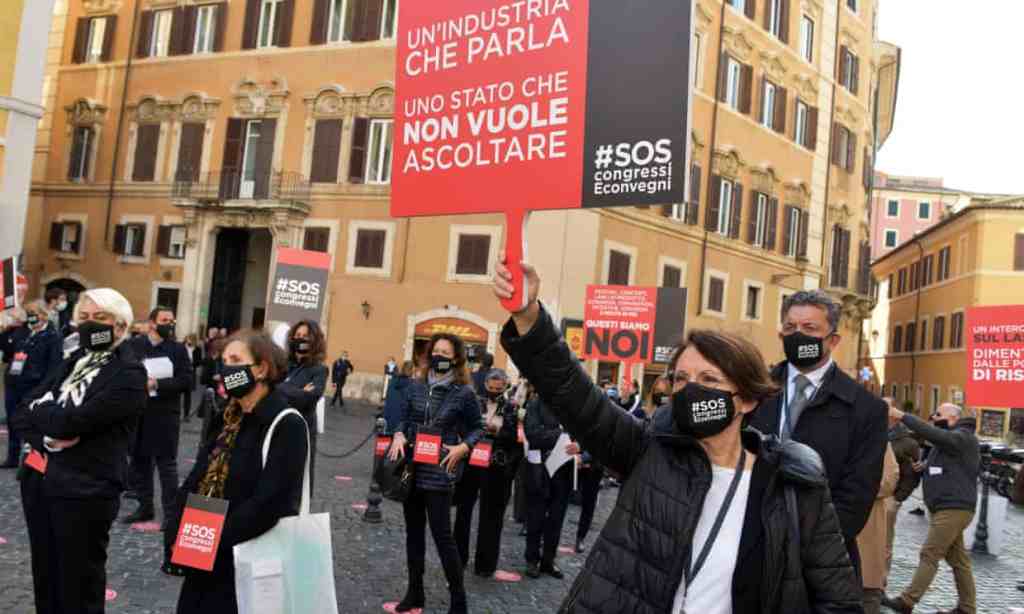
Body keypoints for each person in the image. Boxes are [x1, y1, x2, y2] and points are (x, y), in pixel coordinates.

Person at [493, 262, 862, 613]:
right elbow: (573, 394)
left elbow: (836, 598)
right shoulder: (648, 449)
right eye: (682, 380)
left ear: (747, 399)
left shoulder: (795, 483)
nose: (691, 391)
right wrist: (528, 317)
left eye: (710, 380)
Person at [12, 288, 147, 614]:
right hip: (41, 481)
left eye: (99, 319)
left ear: (120, 326)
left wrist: (48, 418)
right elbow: (22, 411)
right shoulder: (73, 360)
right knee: (46, 578)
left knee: (78, 587)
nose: (89, 325)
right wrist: (48, 431)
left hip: (85, 489)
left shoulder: (129, 373)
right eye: (83, 318)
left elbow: (74, 422)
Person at [750, 289, 888, 579]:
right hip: (751, 549)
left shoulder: (866, 409)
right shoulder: (753, 392)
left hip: (819, 564)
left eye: (809, 328)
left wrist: (801, 545)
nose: (798, 335)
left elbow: (856, 497)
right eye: (790, 328)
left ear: (833, 340)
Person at [171, 330, 308, 614]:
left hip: (247, 561)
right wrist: (176, 529)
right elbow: (199, 473)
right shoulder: (227, 416)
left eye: (235, 359)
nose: (226, 367)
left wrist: (215, 541)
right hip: (204, 555)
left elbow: (270, 503)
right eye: (224, 360)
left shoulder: (286, 424)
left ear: (261, 368)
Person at [387, 333, 483, 614]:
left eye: (446, 352)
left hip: (440, 471)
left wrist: (463, 448)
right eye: (436, 350)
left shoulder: (463, 392)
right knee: (413, 535)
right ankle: (415, 593)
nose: (440, 356)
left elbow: (478, 427)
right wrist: (397, 435)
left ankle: (458, 600)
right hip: (412, 469)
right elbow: (403, 418)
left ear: (456, 358)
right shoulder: (416, 386)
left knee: (443, 537)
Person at [882, 403, 978, 614]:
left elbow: (934, 434)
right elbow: (948, 464)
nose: (934, 417)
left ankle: (907, 601)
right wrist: (924, 467)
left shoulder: (963, 437)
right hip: (946, 507)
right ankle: (967, 608)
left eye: (938, 414)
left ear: (953, 417)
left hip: (953, 508)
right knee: (958, 560)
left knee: (929, 553)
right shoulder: (950, 441)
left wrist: (903, 416)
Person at [123, 308, 192, 563]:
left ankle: (171, 515)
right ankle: (144, 507)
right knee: (140, 461)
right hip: (139, 412)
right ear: (151, 323)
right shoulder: (134, 345)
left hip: (165, 415)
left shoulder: (177, 349)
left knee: (167, 465)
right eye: (164, 320)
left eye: (172, 321)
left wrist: (158, 384)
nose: (169, 324)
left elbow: (187, 381)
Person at [453, 368, 522, 577]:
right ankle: (458, 559)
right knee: (463, 512)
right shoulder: (475, 402)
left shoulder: (510, 406)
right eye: (490, 388)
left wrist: (497, 430)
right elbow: (463, 428)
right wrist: (477, 430)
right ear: (485, 386)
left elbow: (512, 436)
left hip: (496, 465)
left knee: (491, 516)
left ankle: (485, 565)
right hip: (472, 460)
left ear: (504, 387)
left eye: (498, 389)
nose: (493, 391)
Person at [0, 301, 63, 467]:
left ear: (43, 315)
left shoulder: (52, 337)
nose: (30, 317)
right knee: (13, 421)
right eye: (27, 313)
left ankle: (33, 463)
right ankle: (12, 458)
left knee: (34, 425)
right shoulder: (22, 332)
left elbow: (54, 366)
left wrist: (45, 390)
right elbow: (7, 351)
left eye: (32, 313)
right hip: (14, 383)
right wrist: (6, 329)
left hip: (34, 387)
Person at [523, 394, 574, 579]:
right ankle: (532, 560)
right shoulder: (536, 404)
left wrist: (575, 444)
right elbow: (534, 436)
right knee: (535, 517)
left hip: (564, 469)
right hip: (539, 469)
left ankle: (548, 560)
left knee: (556, 519)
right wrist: (562, 434)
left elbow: (582, 435)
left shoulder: (572, 405)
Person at [278, 320, 327, 494]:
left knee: (298, 482)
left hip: (301, 431)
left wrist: (283, 388)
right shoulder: (283, 364)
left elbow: (309, 398)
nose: (301, 339)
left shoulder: (319, 370)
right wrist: (297, 390)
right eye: (298, 336)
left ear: (314, 340)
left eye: (305, 336)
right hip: (277, 428)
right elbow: (270, 390)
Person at [857, 443, 898, 614]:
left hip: (867, 523)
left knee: (867, 590)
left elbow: (889, 480)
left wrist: (852, 489)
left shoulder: (878, 438)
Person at [885, 397, 921, 574]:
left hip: (889, 499)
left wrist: (897, 499)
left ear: (894, 413)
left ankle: (879, 585)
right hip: (865, 496)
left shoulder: (908, 442)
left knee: (884, 543)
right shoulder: (868, 432)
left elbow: (912, 476)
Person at [382, 360, 415, 433]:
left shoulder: (393, 381)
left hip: (388, 419)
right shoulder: (412, 385)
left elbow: (388, 399)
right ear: (412, 371)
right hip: (401, 424)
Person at [181, 334, 201, 422]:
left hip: (190, 373)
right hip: (181, 372)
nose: (189, 341)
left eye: (190, 340)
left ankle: (186, 415)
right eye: (187, 339)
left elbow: (198, 361)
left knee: (187, 395)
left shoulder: (197, 349)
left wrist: (192, 362)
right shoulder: (181, 347)